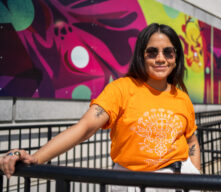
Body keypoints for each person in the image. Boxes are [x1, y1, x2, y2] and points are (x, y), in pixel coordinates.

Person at [0, 23, 201, 189]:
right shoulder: (121, 90)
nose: (160, 59)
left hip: (180, 180)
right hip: (133, 183)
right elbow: (85, 128)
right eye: (152, 52)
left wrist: (196, 176)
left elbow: (191, 141)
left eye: (168, 52)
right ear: (141, 55)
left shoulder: (182, 98)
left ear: (176, 57)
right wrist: (35, 158)